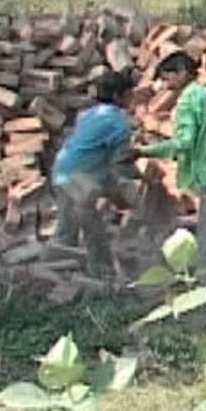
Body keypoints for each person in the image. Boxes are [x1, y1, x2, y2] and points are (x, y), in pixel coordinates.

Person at [135, 50, 206, 309]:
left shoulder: (187, 101)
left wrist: (144, 151)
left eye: (169, 78)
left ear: (184, 73)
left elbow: (184, 144)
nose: (166, 86)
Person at [51, 70, 137, 277]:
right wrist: (138, 181)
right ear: (118, 96)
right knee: (90, 226)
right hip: (78, 177)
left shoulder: (90, 113)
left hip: (62, 169)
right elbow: (121, 164)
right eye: (129, 94)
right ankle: (100, 273)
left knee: (70, 225)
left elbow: (98, 155)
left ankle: (60, 272)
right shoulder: (119, 122)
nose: (132, 99)